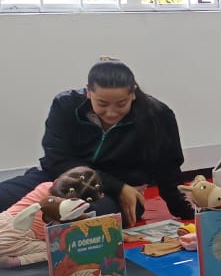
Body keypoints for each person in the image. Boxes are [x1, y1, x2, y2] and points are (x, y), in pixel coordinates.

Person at [0, 59, 194, 226]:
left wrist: (188, 212)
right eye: (102, 104)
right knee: (4, 197)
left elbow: (167, 167)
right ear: (88, 92)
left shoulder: (157, 116)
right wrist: (117, 186)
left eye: (121, 104)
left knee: (80, 217)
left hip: (115, 196)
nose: (111, 112)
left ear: (133, 93)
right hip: (59, 178)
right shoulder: (65, 105)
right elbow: (58, 160)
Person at [0, 166, 101, 267]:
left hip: (4, 218)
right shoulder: (71, 212)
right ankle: (16, 261)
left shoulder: (45, 185)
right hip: (15, 240)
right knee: (59, 251)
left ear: (56, 181)